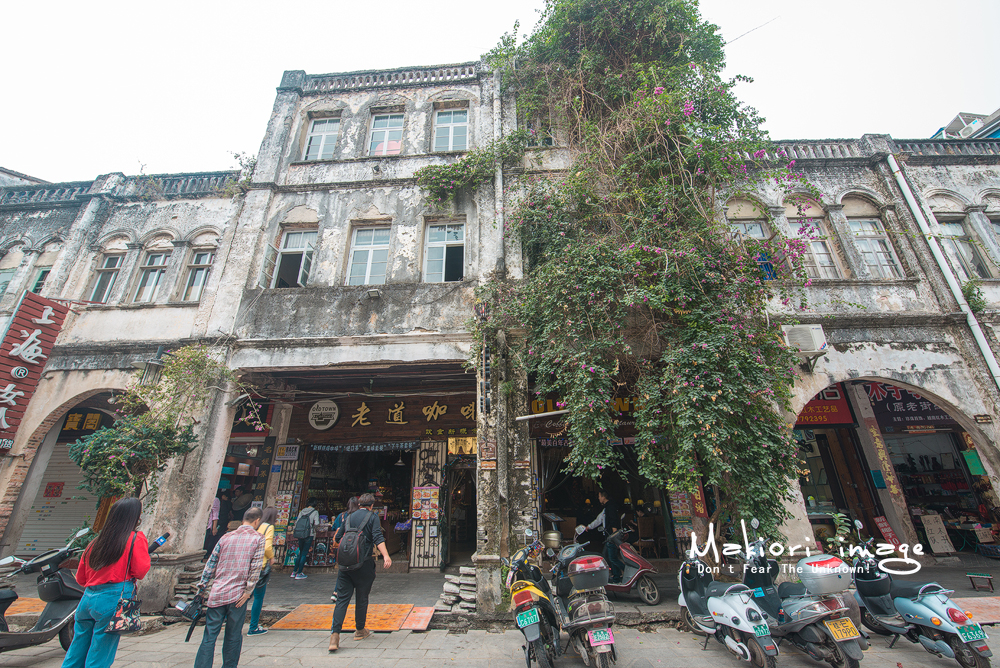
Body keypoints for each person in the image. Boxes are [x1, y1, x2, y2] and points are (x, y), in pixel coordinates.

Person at [62, 497, 150, 668]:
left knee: (76, 651)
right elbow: (140, 572)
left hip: (87, 600)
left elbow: (81, 579)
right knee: (100, 654)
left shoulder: (95, 542)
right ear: (134, 517)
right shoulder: (135, 539)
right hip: (112, 599)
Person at [194, 506, 265, 668]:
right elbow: (255, 568)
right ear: (257, 521)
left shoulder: (225, 537)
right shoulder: (258, 539)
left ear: (243, 520)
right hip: (238, 595)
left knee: (209, 636)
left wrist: (202, 589)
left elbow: (210, 564)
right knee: (233, 636)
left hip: (217, 593)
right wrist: (248, 591)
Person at [328, 493, 392, 652]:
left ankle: (335, 635)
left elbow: (338, 537)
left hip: (345, 564)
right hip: (363, 562)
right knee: (362, 597)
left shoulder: (348, 517)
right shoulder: (372, 517)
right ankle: (360, 630)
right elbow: (377, 537)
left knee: (342, 599)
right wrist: (386, 555)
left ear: (359, 504)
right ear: (372, 505)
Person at [581, 489, 625, 583]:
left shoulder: (610, 507)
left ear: (603, 497)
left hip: (611, 537)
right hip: (609, 537)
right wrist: (588, 527)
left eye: (599, 496)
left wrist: (615, 537)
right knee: (607, 556)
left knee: (612, 558)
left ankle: (623, 572)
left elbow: (613, 522)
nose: (598, 498)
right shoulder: (606, 508)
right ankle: (616, 576)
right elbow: (599, 520)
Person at [247, 506, 276, 636]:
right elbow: (267, 546)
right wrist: (272, 557)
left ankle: (227, 619)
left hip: (248, 565)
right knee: (258, 597)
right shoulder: (268, 527)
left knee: (244, 596)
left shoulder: (254, 527)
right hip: (260, 566)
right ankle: (253, 626)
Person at [330, 497, 359, 602]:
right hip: (353, 546)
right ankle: (341, 591)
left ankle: (337, 592)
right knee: (353, 569)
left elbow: (334, 529)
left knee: (343, 569)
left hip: (342, 546)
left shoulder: (341, 516)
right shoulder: (357, 517)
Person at [290, 498, 320, 580]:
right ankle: (299, 573)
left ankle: (294, 572)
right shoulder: (315, 512)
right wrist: (314, 528)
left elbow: (297, 522)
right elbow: (317, 523)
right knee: (304, 553)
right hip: (309, 534)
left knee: (300, 552)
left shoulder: (302, 511)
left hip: (300, 534)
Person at [204, 490, 232, 559]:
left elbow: (215, 515)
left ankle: (207, 553)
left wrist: (214, 527)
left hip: (209, 525)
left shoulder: (216, 500)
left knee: (210, 538)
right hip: (207, 524)